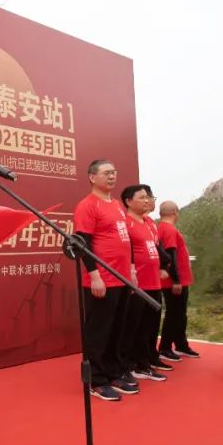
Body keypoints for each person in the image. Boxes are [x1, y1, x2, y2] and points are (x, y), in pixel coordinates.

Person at [73, 159, 138, 402]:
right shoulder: (87, 205)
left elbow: (126, 239)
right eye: (106, 173)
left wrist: (131, 269)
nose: (112, 176)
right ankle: (97, 381)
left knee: (116, 330)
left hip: (122, 278)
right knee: (99, 331)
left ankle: (113, 374)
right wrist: (94, 275)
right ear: (92, 177)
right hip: (102, 279)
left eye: (114, 172)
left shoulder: (118, 205)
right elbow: (83, 244)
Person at [120, 184, 169, 383]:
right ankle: (134, 365)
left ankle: (146, 360)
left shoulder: (148, 223)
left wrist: (164, 265)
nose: (147, 200)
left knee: (150, 327)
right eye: (142, 197)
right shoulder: (126, 223)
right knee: (135, 327)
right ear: (128, 201)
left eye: (148, 197)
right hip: (138, 285)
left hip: (154, 282)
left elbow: (156, 249)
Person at [156, 200, 198, 361]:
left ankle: (181, 344)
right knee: (174, 314)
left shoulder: (161, 228)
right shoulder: (169, 229)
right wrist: (176, 280)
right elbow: (170, 255)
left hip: (175, 279)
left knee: (179, 314)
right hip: (174, 281)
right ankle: (165, 347)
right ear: (175, 212)